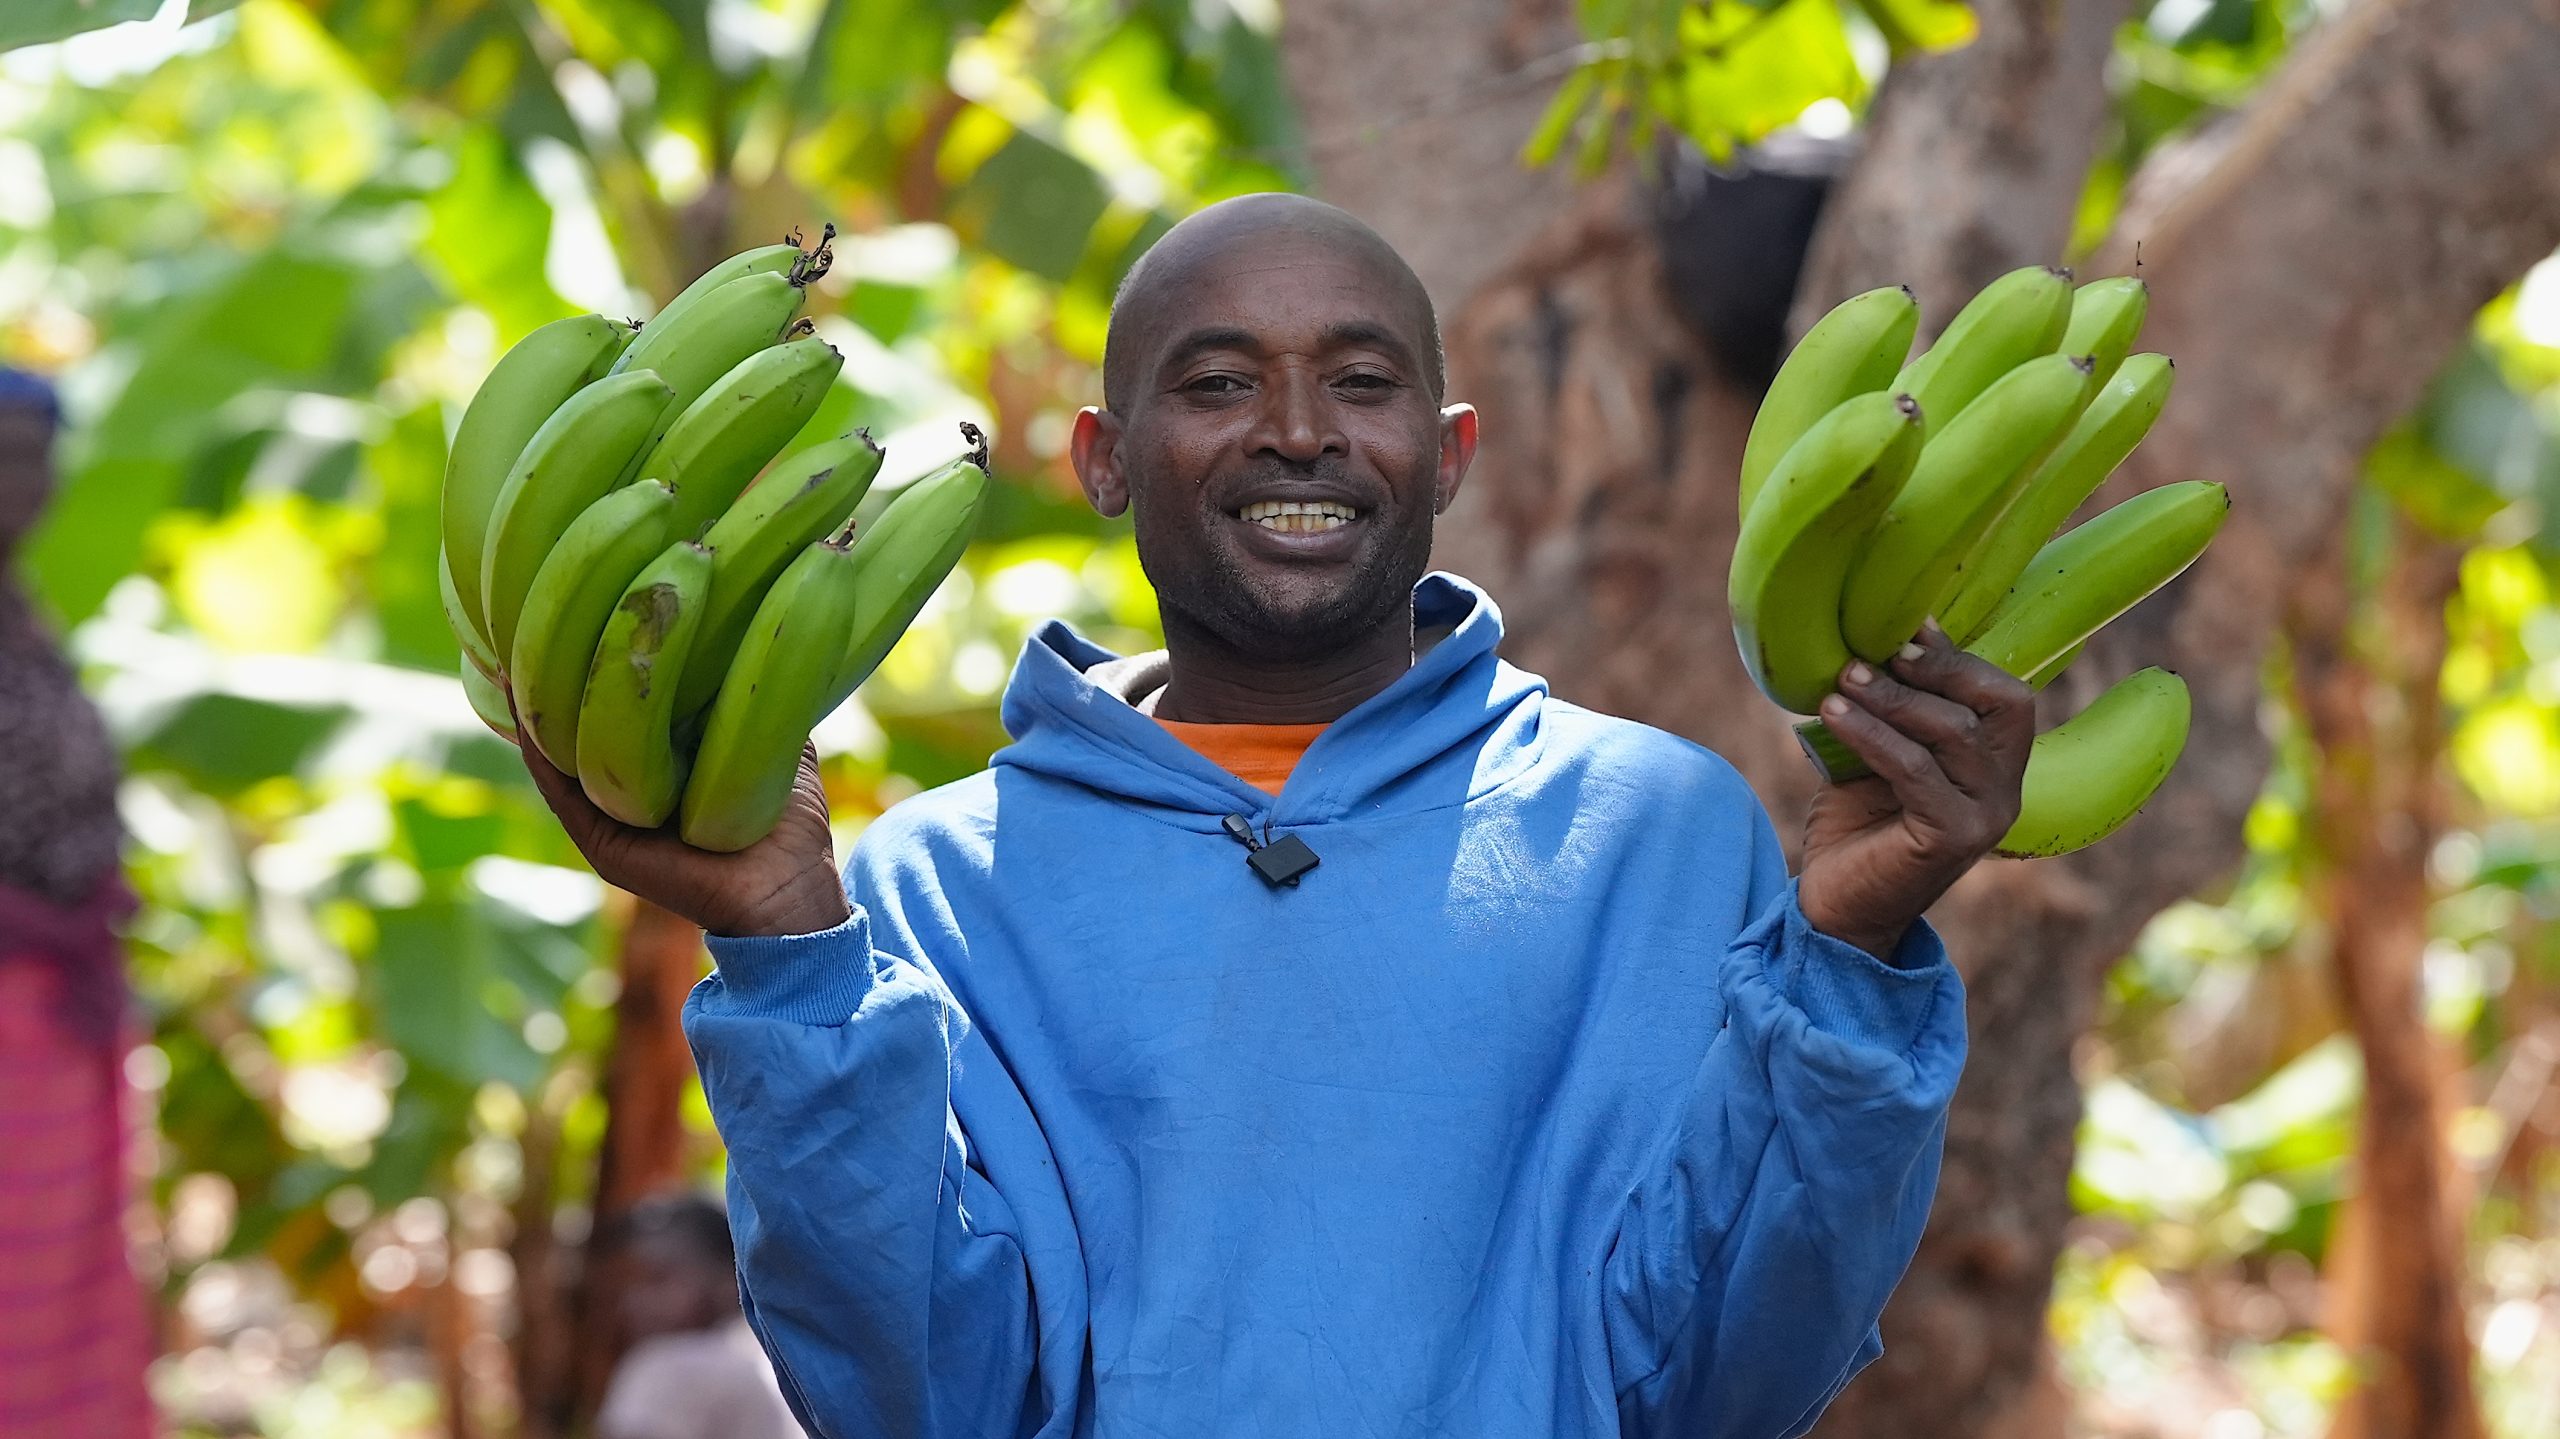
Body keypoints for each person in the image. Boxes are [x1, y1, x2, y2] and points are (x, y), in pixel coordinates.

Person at [517, 193, 2035, 1438]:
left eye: (1362, 381)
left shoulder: (1650, 827)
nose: (1297, 428)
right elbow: (922, 1394)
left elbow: (1734, 1370)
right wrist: (787, 952)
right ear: (1105, 461)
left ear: (1446, 455)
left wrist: (1849, 946)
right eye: (1219, 380)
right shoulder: (925, 886)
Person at [0, 367, 150, 1439]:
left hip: (57, 1003)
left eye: (35, 455)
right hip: (18, 989)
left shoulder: (23, 612)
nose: (23, 480)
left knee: (66, 1280)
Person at [593, 1191, 802, 1439]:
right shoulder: (788, 1367)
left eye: (657, 1279)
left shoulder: (665, 1368)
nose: (632, 1302)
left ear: (728, 1281)